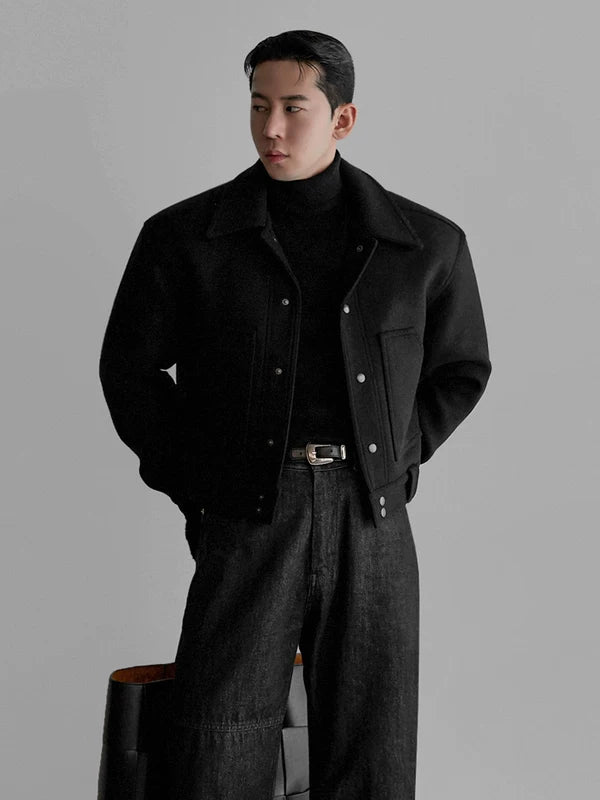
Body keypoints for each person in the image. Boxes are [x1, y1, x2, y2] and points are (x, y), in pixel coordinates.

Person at [99, 29, 491, 800]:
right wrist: (196, 482)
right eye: (258, 106)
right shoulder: (186, 238)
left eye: (293, 107)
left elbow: (461, 369)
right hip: (246, 512)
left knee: (372, 743)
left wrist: (397, 458)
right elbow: (130, 371)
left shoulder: (425, 245)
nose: (270, 127)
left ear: (342, 118)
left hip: (373, 519)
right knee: (219, 737)